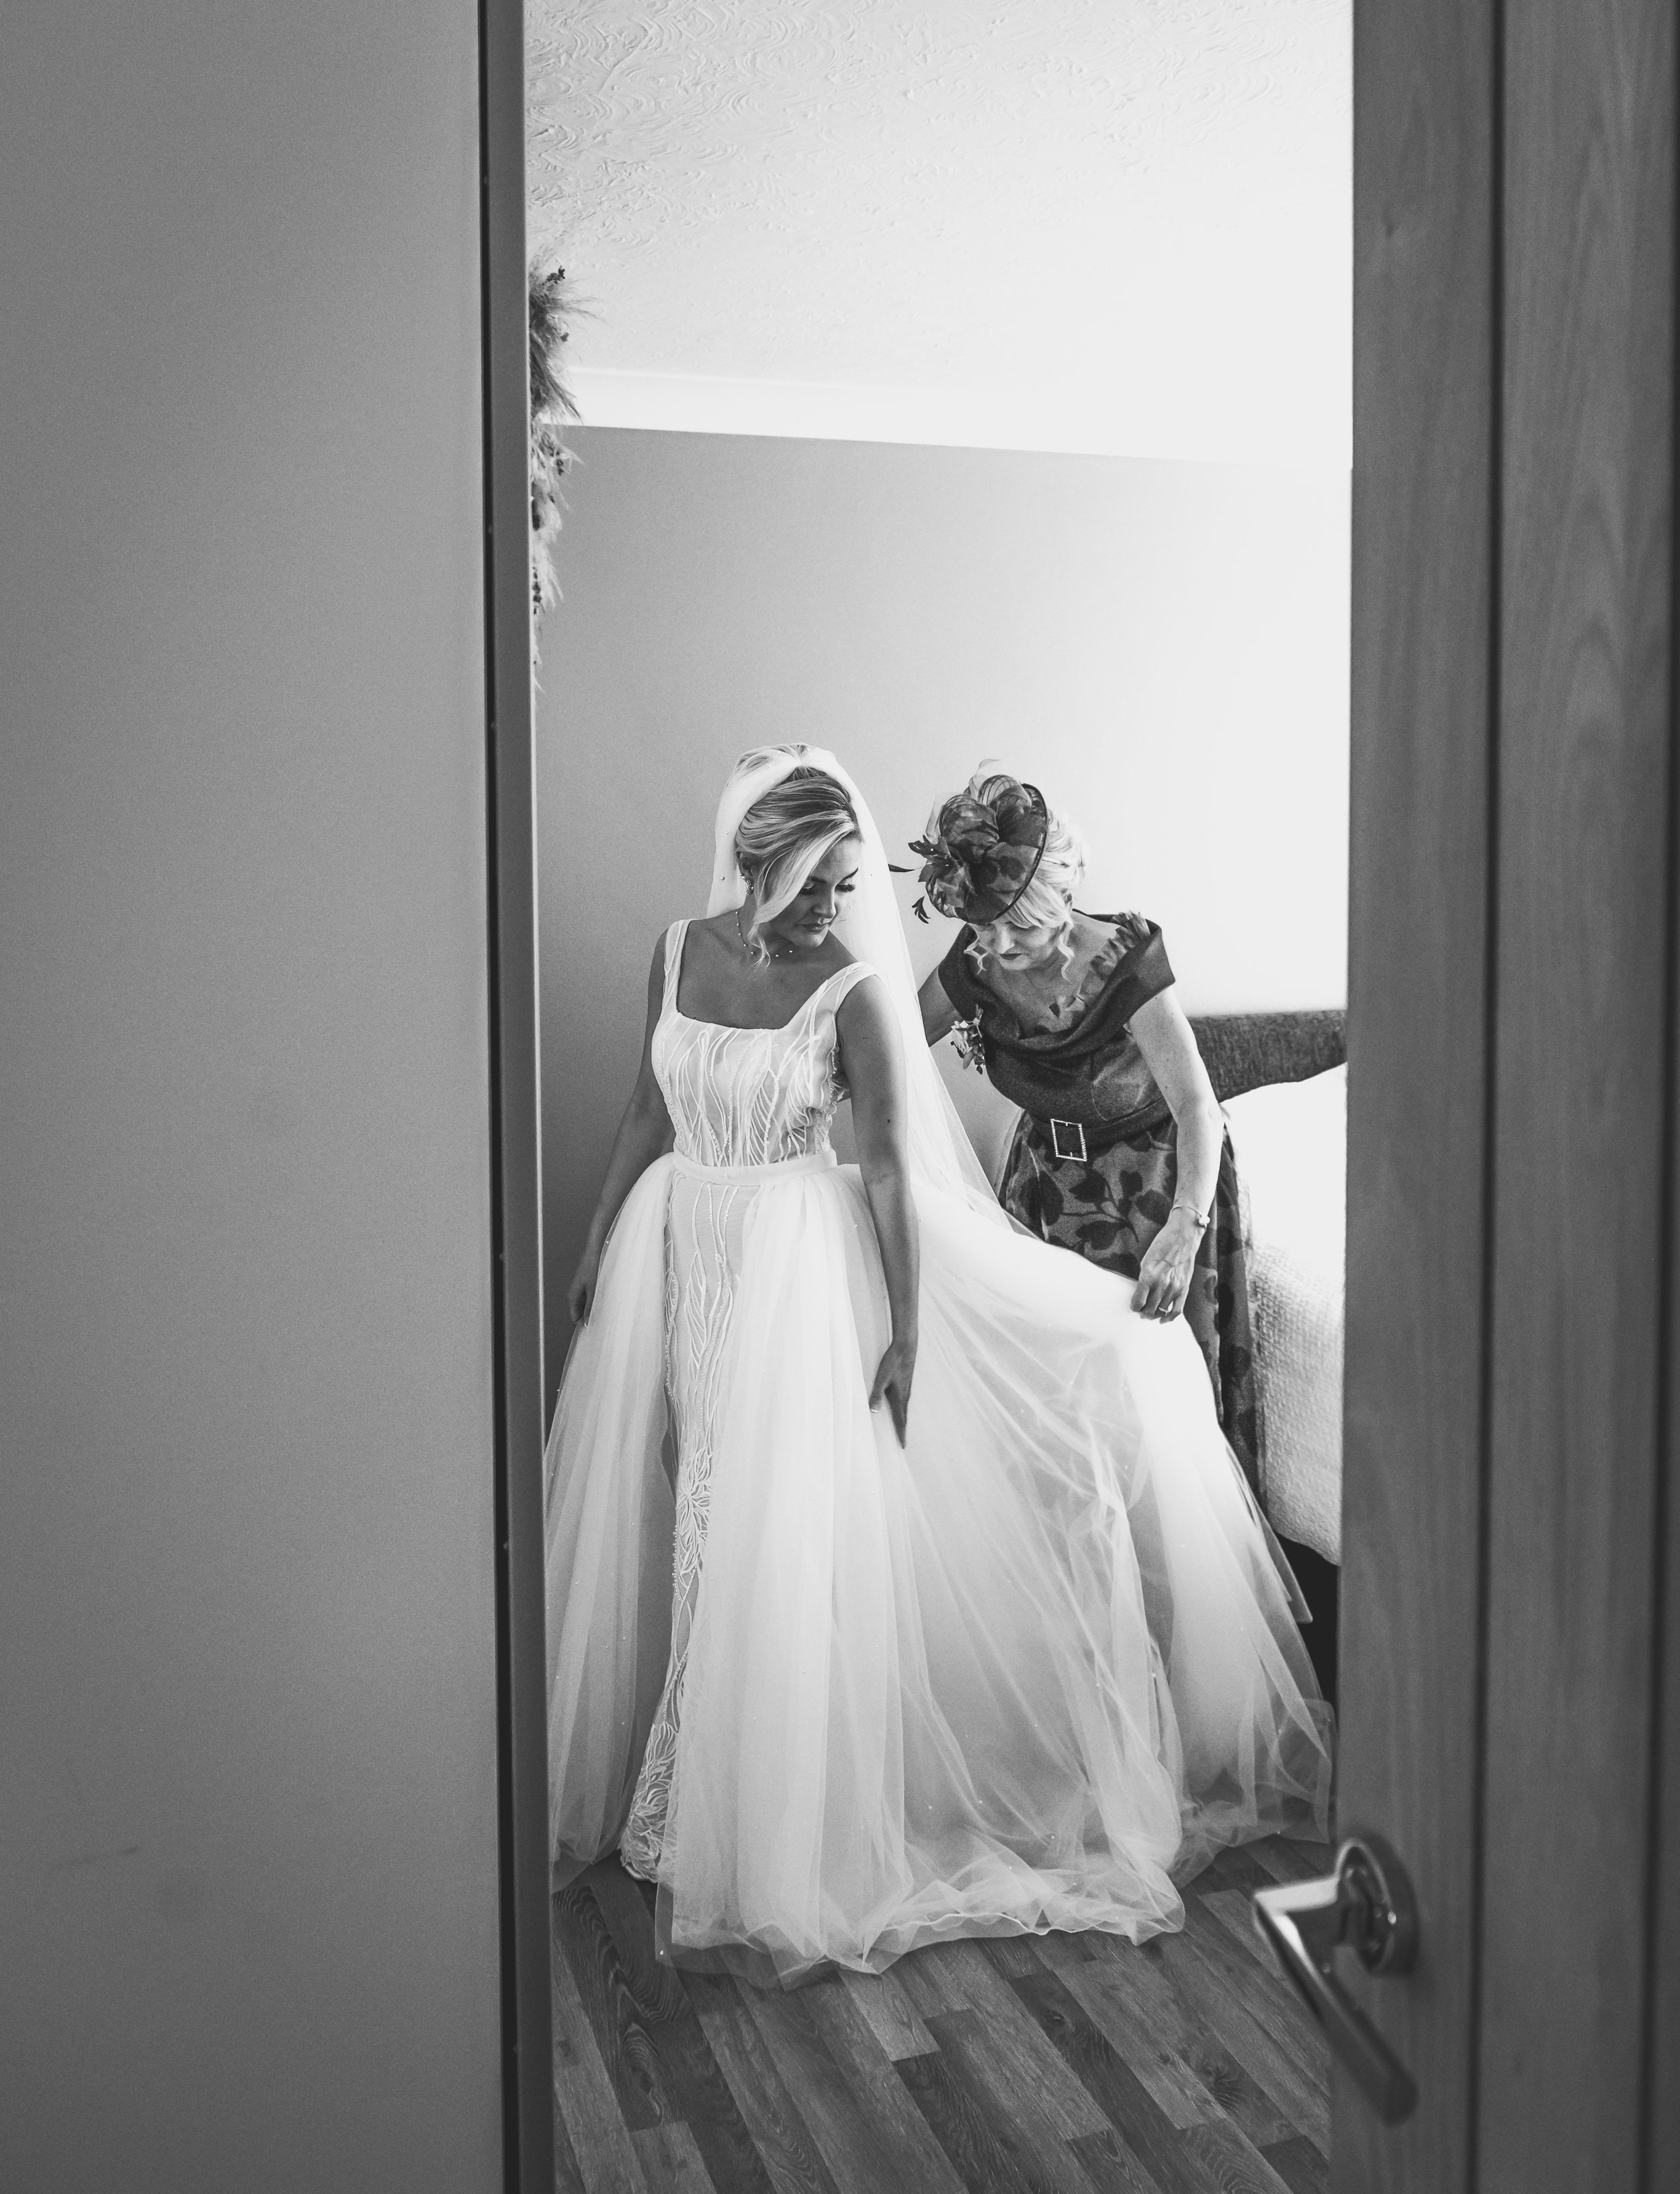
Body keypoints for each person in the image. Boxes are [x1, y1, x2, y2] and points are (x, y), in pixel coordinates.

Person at [544, 744, 1330, 1986]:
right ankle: (697, 1786)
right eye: (816, 883)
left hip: (960, 1229)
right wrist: (595, 1248)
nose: (836, 906)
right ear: (760, 860)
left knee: (790, 1516)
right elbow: (673, 1111)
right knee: (692, 1499)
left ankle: (789, 1801)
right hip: (704, 1242)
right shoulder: (704, 954)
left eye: (850, 884)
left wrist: (914, 1316)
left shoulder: (1009, 968)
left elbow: (938, 1151)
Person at [914, 768, 1263, 1489]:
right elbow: (884, 1042)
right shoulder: (973, 964)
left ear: (1063, 901)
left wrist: (1184, 1227)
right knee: (1049, 1404)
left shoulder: (1127, 964)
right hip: (1046, 1186)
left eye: (1021, 925)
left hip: (1152, 1191)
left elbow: (1199, 1106)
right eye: (981, 924)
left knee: (1148, 1422)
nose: (998, 944)